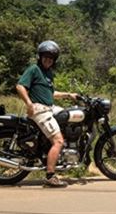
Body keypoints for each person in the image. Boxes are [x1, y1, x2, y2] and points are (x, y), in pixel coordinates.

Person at [16, 40, 79, 187]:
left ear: (54, 60)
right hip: (39, 108)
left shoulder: (48, 73)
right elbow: (20, 86)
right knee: (58, 141)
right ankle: (50, 176)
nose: (48, 59)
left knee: (69, 115)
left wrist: (69, 95)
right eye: (45, 56)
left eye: (51, 58)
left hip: (49, 107)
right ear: (40, 56)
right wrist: (29, 104)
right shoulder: (34, 69)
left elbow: (51, 93)